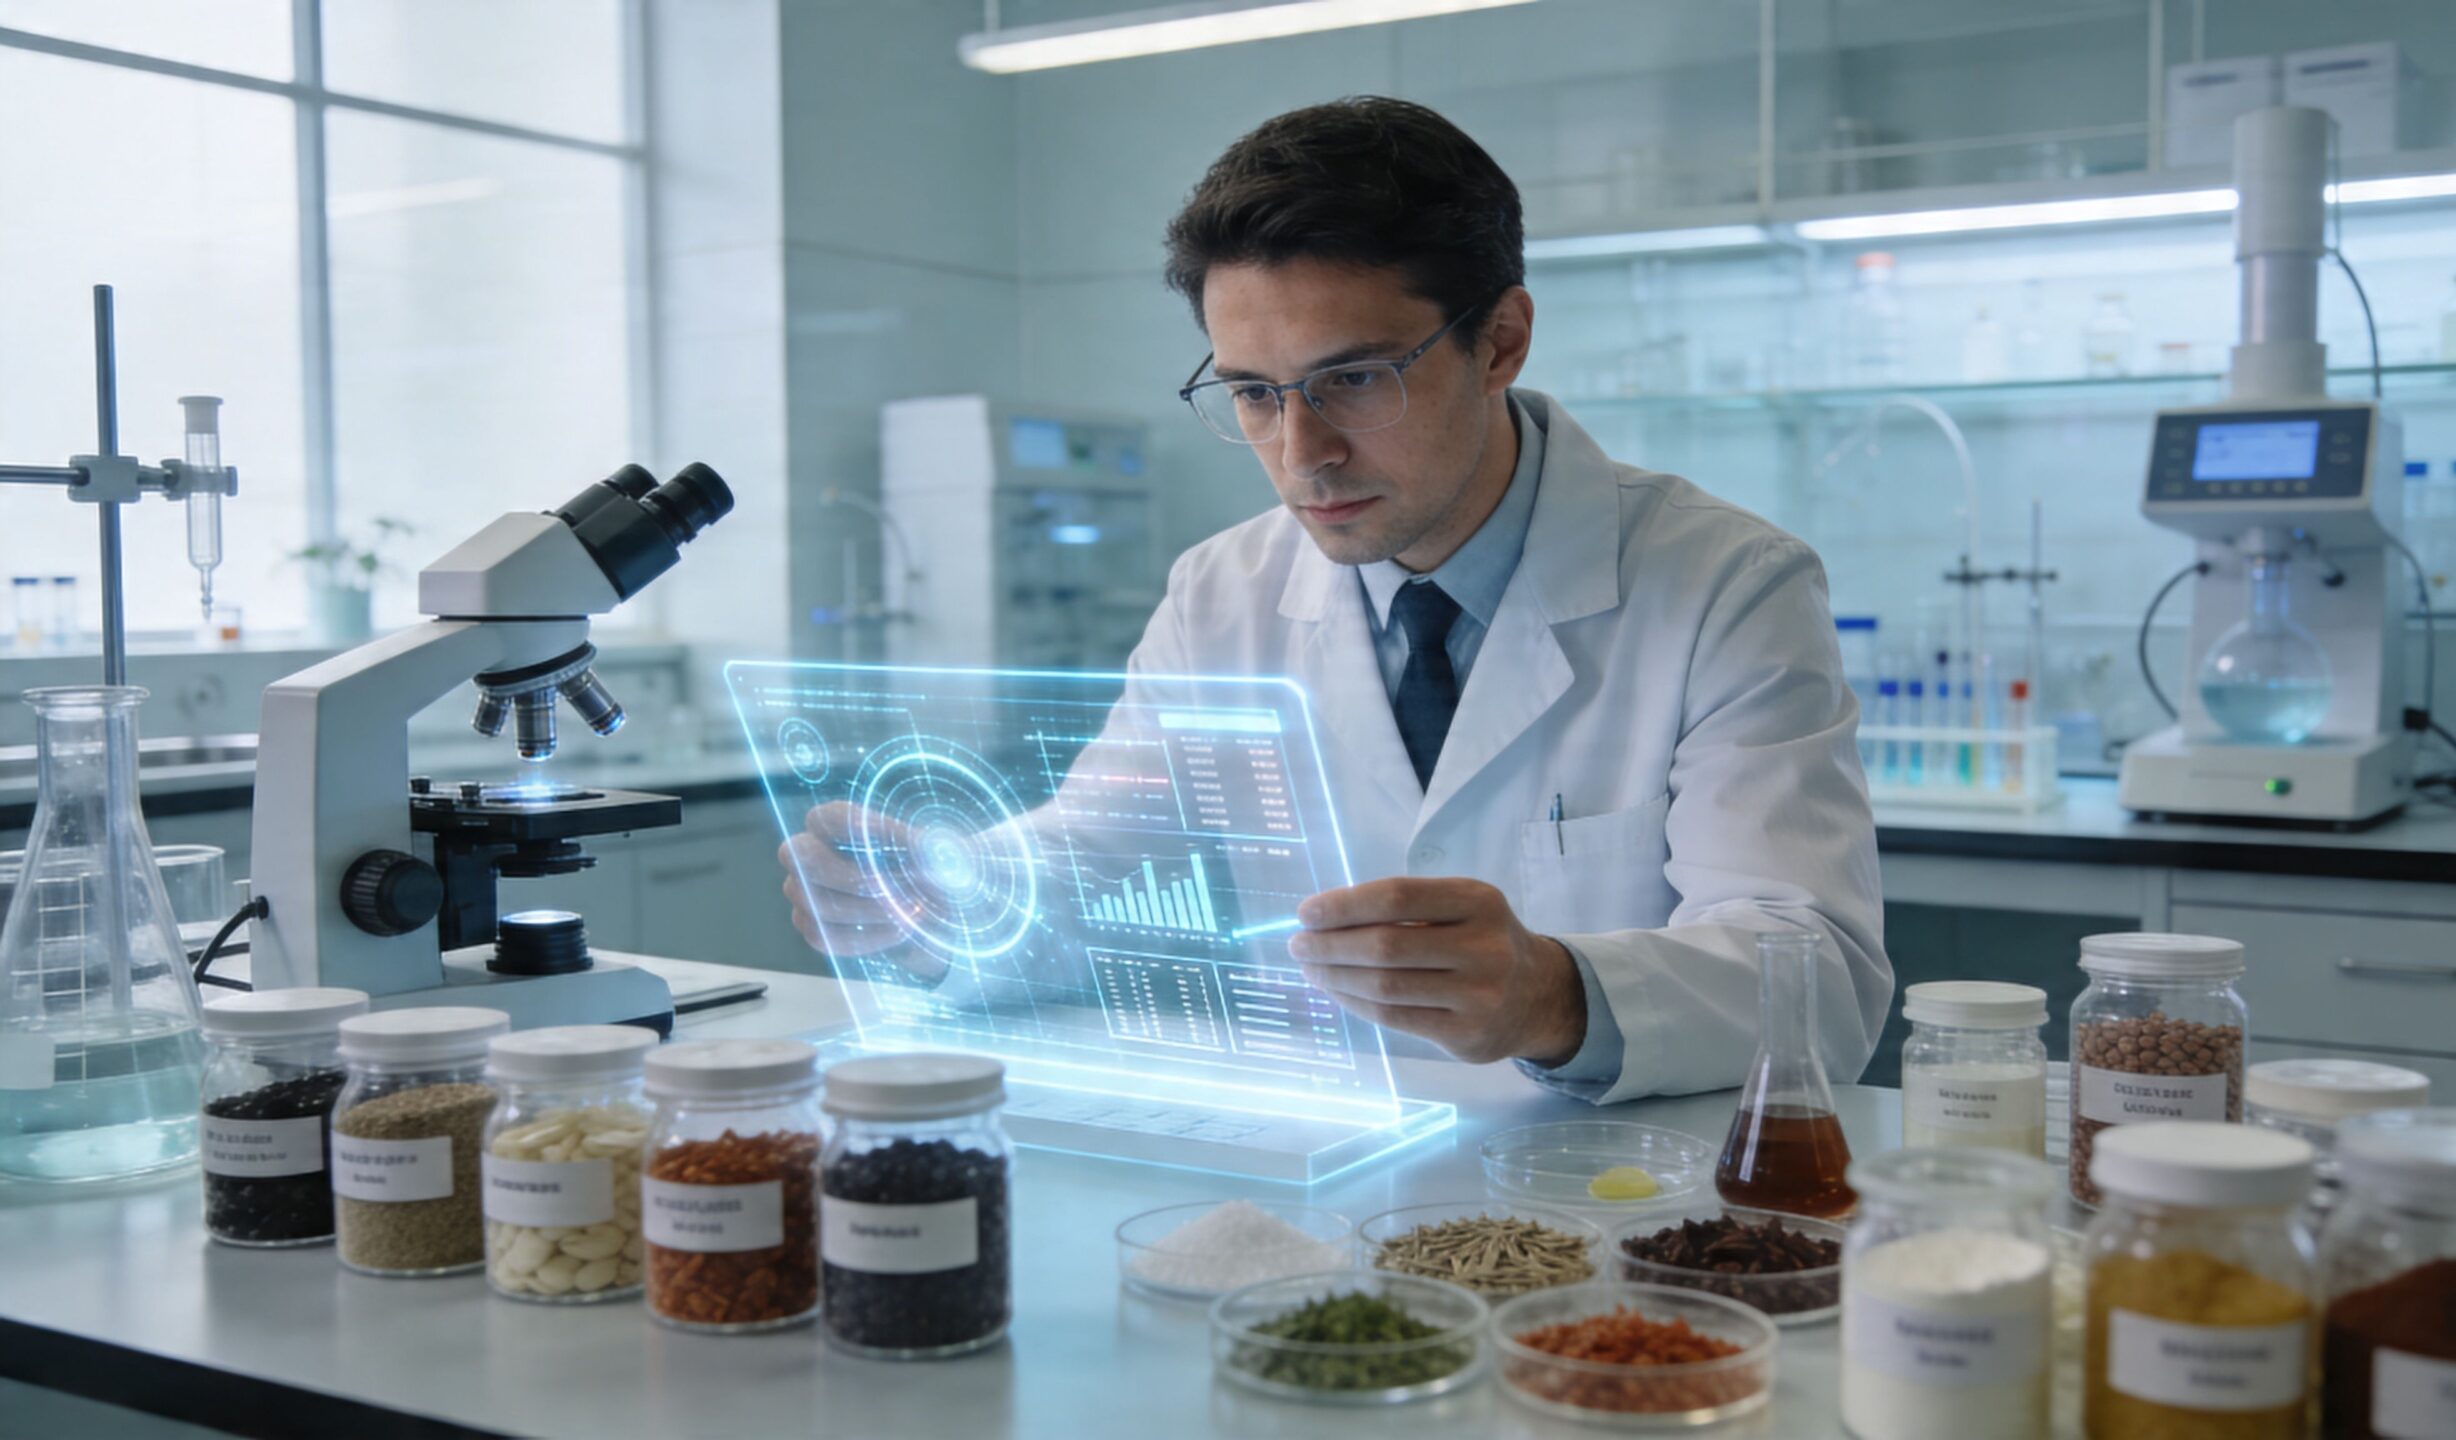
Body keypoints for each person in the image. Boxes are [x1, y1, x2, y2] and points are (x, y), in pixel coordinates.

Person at [785, 96, 1887, 1103]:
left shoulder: (1725, 586)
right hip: (1319, 1168)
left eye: (1354, 379)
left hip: (1607, 1191)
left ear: (1499, 340)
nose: (1302, 453)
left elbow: (1817, 975)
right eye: (1255, 395)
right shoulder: (1222, 592)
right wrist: (934, 903)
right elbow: (1092, 868)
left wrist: (1553, 994)